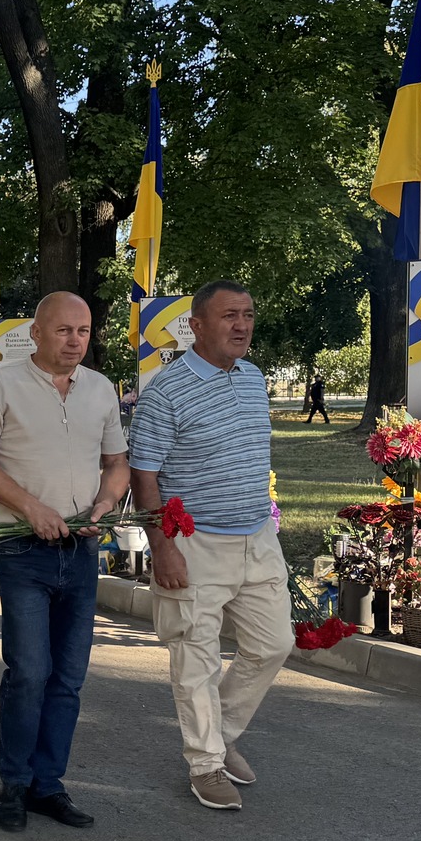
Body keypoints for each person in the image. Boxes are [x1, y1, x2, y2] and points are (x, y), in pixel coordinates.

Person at [0, 291, 129, 834]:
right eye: (63, 330)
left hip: (80, 549)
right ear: (36, 333)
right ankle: (14, 782)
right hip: (20, 547)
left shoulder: (100, 389)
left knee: (69, 676)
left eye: (83, 331)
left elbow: (117, 463)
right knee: (30, 671)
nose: (75, 341)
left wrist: (104, 505)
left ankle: (47, 784)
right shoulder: (1, 385)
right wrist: (31, 508)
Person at [128, 280, 295, 813]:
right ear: (196, 326)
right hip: (194, 543)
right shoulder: (166, 392)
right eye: (229, 316)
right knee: (195, 657)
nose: (242, 325)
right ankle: (205, 764)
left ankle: (219, 737)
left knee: (273, 644)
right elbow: (143, 476)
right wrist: (162, 547)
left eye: (248, 314)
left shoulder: (253, 378)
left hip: (257, 537)